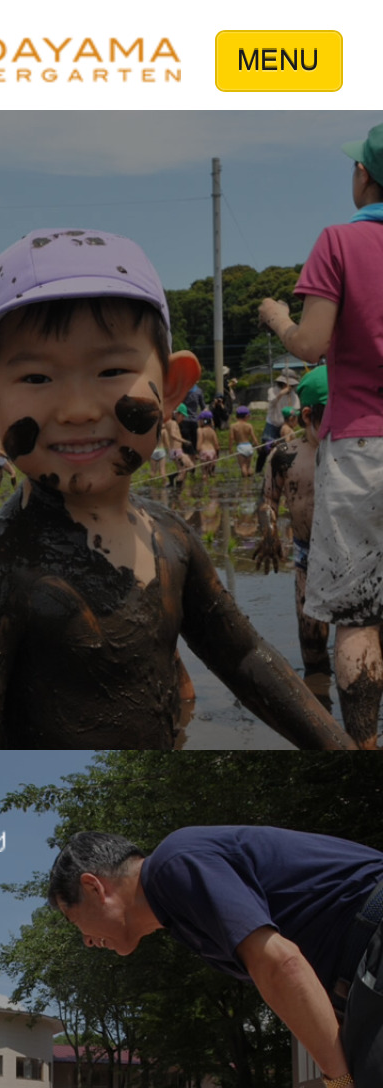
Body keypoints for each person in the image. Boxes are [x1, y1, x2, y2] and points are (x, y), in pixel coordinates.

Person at [0, 227, 355, 750]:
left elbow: (244, 659)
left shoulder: (171, 538)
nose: (77, 409)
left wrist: (340, 750)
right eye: (36, 378)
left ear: (172, 387)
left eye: (111, 370)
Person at [48, 826, 383, 1088]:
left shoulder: (172, 865)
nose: (87, 941)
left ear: (94, 887)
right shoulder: (179, 912)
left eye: (73, 919)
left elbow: (282, 965)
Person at [259, 122, 383, 750]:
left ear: (366, 175)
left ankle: (364, 750)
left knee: (359, 616)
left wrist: (280, 316)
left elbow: (310, 344)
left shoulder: (340, 241)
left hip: (363, 444)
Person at [253, 366, 330, 675]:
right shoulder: (285, 456)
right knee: (311, 638)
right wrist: (268, 530)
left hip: (361, 556)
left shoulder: (361, 451)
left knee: (368, 638)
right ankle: (321, 704)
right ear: (307, 416)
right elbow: (267, 500)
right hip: (309, 558)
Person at [255, 372, 300, 475]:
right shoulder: (272, 391)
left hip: (285, 425)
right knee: (266, 449)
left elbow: (296, 409)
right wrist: (282, 393)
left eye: (292, 386)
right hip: (272, 423)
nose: (291, 387)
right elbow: (272, 402)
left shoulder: (294, 396)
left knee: (284, 447)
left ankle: (280, 468)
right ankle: (259, 471)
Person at [229, 407, 257, 478]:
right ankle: (250, 480)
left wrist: (230, 448)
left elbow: (231, 438)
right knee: (248, 466)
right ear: (246, 416)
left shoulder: (233, 426)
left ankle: (245, 484)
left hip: (241, 447)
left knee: (243, 466)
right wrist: (257, 446)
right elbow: (254, 438)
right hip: (248, 446)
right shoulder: (249, 425)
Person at [196, 409, 218, 478]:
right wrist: (217, 454)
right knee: (211, 473)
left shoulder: (200, 430)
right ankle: (212, 488)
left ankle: (205, 486)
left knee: (204, 473)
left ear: (202, 421)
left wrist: (197, 453)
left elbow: (199, 445)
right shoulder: (212, 431)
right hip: (212, 452)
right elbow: (217, 445)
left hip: (204, 452)